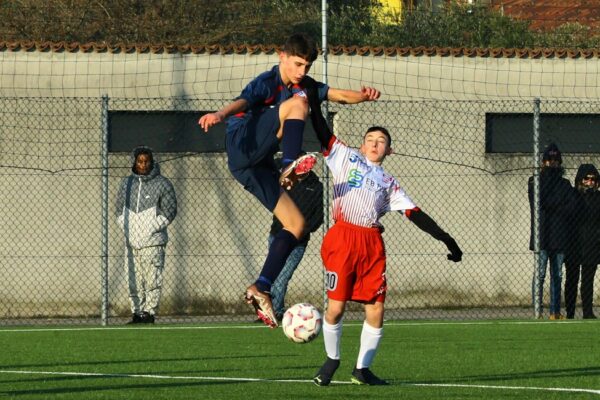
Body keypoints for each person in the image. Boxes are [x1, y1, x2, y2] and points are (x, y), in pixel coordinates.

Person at [198, 32, 380, 328]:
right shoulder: (268, 82)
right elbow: (243, 101)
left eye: (306, 67)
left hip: (253, 167)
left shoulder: (304, 85)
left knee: (296, 225)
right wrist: (218, 114)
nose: (301, 72)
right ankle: (290, 164)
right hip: (243, 145)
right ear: (282, 56)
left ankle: (262, 287)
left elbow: (337, 95)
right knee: (298, 104)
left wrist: (363, 96)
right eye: (297, 64)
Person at [306, 92, 462, 386]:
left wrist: (447, 239)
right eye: (371, 139)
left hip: (371, 244)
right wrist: (314, 101)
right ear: (362, 145)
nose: (375, 143)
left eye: (382, 141)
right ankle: (331, 360)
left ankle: (362, 370)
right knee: (336, 307)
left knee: (376, 307)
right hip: (342, 237)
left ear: (389, 150)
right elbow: (321, 131)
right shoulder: (345, 158)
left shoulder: (389, 182)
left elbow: (415, 214)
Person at [115, 146, 177, 324]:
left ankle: (149, 313)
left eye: (146, 161)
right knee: (133, 280)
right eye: (140, 161)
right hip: (131, 241)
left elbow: (170, 211)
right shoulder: (126, 184)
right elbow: (119, 210)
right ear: (134, 162)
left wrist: (150, 228)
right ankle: (136, 313)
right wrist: (129, 230)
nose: (143, 165)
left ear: (152, 162)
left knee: (152, 279)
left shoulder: (163, 183)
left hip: (153, 241)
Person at [268, 166, 323, 322]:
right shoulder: (285, 181)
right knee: (272, 274)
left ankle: (275, 311)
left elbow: (319, 216)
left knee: (283, 275)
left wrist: (303, 229)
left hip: (298, 242)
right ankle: (272, 311)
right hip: (277, 236)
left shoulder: (316, 186)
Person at [528, 143, 574, 320]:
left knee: (557, 275)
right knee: (540, 274)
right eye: (549, 160)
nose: (552, 163)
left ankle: (555, 312)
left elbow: (572, 206)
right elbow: (538, 202)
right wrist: (558, 203)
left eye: (555, 160)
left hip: (560, 236)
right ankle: (537, 311)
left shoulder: (565, 183)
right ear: (543, 161)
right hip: (542, 236)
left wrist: (552, 205)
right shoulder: (535, 181)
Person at [564, 164, 599, 319]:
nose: (590, 182)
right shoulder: (572, 195)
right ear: (580, 180)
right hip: (574, 243)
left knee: (587, 281)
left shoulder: (598, 198)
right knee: (572, 279)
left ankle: (587, 311)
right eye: (586, 179)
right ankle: (570, 312)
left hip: (592, 244)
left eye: (593, 179)